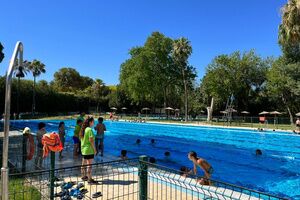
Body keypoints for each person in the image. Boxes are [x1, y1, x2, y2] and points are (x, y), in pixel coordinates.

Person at [80, 117, 97, 184]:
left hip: (83, 149)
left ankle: (83, 176)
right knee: (89, 165)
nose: (94, 123)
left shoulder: (83, 129)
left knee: (83, 164)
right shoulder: (89, 129)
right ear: (90, 122)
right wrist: (95, 149)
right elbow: (91, 141)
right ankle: (89, 179)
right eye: (93, 121)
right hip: (89, 150)